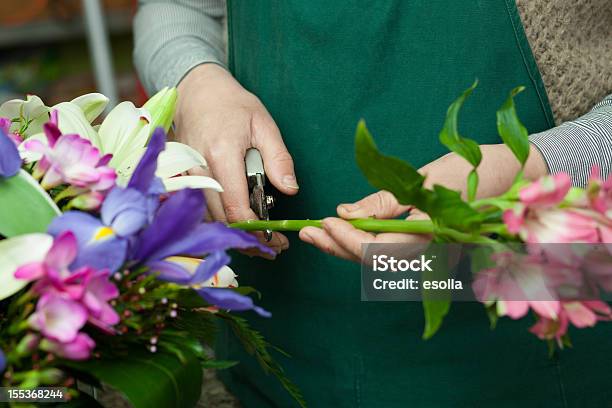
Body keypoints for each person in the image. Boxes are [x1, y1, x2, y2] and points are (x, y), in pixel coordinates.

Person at [134, 1, 612, 406]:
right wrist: (195, 82)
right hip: (283, 350)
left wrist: (538, 167)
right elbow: (176, 9)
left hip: (537, 343)